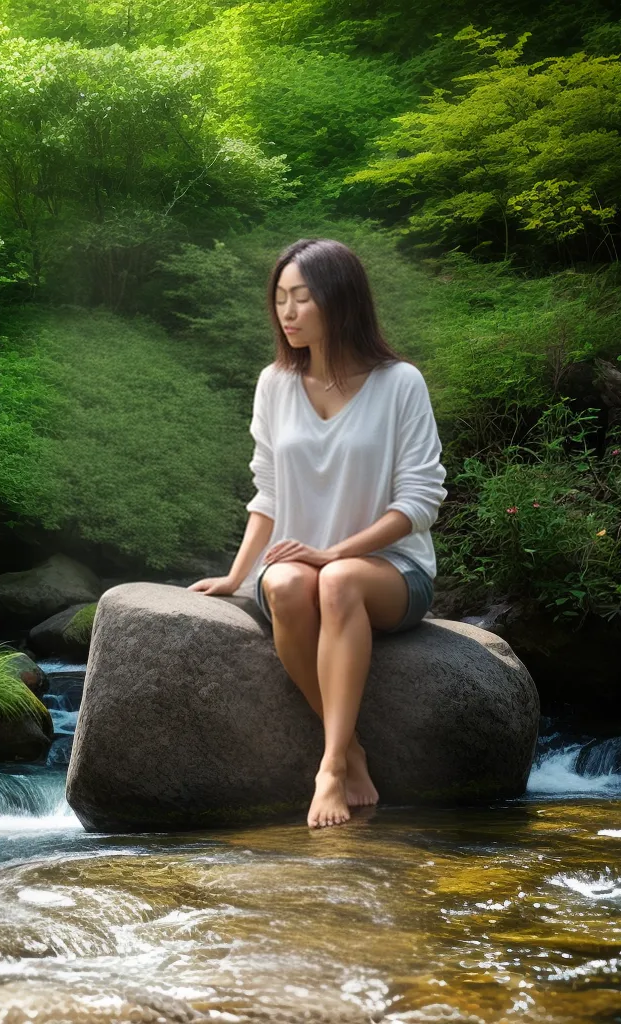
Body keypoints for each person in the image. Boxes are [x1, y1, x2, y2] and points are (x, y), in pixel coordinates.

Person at [187, 238, 447, 829]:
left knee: (338, 583)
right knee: (278, 586)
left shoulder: (400, 383)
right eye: (280, 298)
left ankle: (328, 767)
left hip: (390, 569)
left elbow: (420, 501)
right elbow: (269, 493)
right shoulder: (274, 384)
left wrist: (334, 552)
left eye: (302, 298)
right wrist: (235, 575)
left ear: (340, 300)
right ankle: (352, 749)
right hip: (301, 564)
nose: (287, 312)